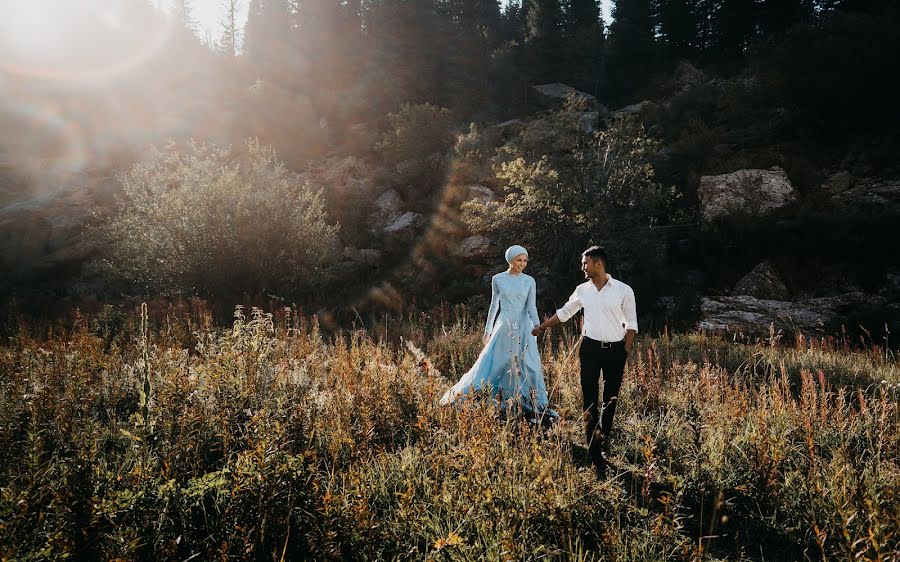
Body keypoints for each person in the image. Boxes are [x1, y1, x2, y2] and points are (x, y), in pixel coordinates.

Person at [532, 245, 637, 478]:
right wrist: (542, 327)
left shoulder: (623, 290)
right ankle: (594, 449)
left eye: (585, 263)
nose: (582, 267)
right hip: (589, 349)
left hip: (615, 351)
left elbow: (632, 323)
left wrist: (625, 351)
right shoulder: (582, 290)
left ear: (598, 263)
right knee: (589, 398)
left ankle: (604, 438)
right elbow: (565, 312)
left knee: (610, 398)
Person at [441, 245, 557, 421]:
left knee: (529, 362)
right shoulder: (498, 279)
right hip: (504, 323)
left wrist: (537, 325)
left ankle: (533, 401)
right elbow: (494, 305)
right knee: (501, 360)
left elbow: (531, 306)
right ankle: (495, 396)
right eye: (519, 260)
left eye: (525, 260)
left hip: (524, 325)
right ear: (510, 259)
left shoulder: (529, 281)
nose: (523, 264)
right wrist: (487, 330)